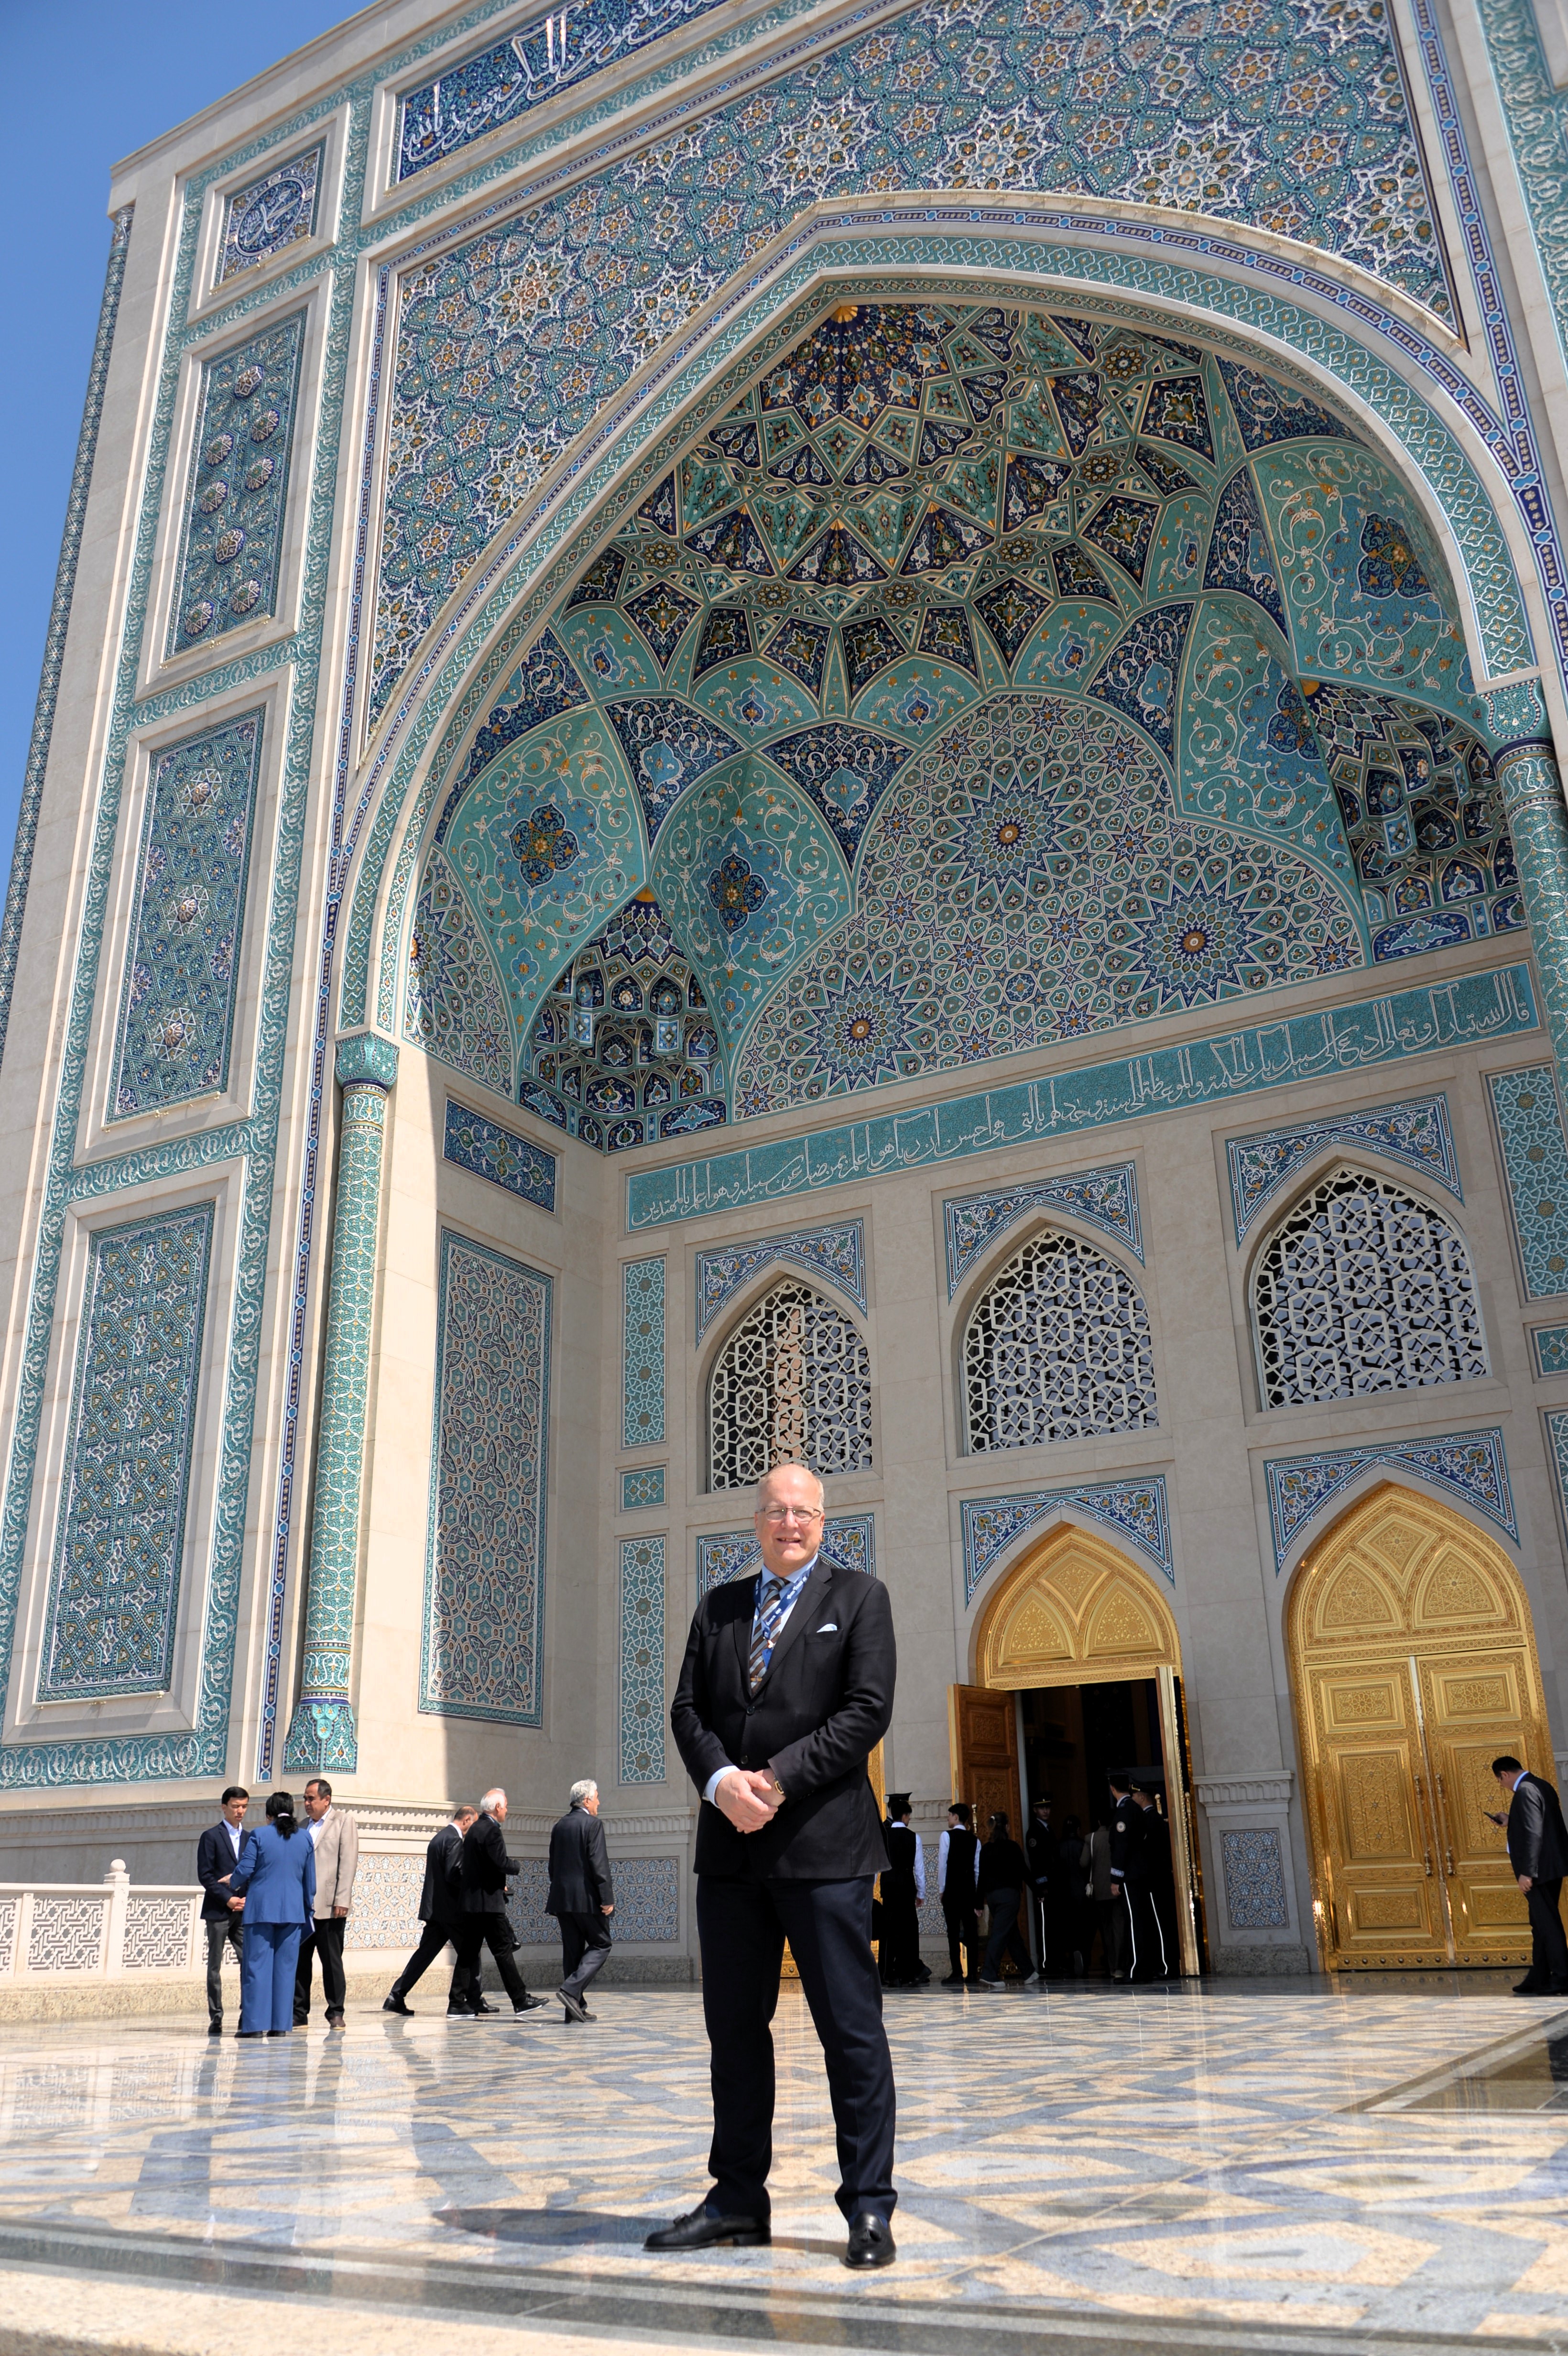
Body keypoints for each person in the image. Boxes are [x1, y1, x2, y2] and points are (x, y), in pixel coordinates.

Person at [650, 1459, 898, 2271]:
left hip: (824, 1850)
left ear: (824, 1522)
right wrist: (722, 1782)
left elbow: (865, 1712)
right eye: (776, 1511)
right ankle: (736, 2199)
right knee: (734, 2031)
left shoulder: (858, 1598)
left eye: (804, 1512)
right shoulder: (719, 1607)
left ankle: (868, 2205)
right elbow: (688, 1709)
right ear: (755, 1521)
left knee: (849, 2030)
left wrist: (777, 1780)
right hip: (732, 1850)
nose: (790, 1523)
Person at [228, 1791, 315, 2036]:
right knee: (286, 1971)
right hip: (293, 1913)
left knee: (257, 1968)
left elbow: (245, 1869)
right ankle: (280, 2026)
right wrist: (306, 1907)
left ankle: (255, 2026)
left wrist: (231, 1881)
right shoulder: (305, 1838)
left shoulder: (259, 1835)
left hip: (261, 1911)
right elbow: (310, 1882)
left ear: (269, 1814)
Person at [456, 1788, 548, 2016]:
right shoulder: (492, 1831)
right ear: (497, 1807)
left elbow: (480, 1866)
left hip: (473, 1904)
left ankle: (456, 2003)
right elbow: (499, 1862)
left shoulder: (474, 1829)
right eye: (506, 1806)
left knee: (468, 1954)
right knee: (503, 1951)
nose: (507, 1811)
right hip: (489, 1904)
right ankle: (520, 1999)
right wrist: (516, 1866)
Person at [383, 1804, 477, 2016]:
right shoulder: (454, 1840)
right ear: (466, 1820)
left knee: (424, 1956)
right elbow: (454, 1874)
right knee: (470, 1952)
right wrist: (472, 1885)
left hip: (436, 1911)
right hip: (451, 1912)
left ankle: (396, 1996)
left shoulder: (438, 1838)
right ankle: (466, 2001)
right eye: (474, 1824)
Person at [1488, 1755, 1568, 1994]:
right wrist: (1511, 1821)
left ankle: (1562, 1978)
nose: (1502, 1785)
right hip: (1551, 1867)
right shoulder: (1539, 1785)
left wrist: (1527, 1873)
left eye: (1500, 1780)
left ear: (1504, 1774)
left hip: (1539, 1871)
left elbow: (1534, 1834)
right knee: (1540, 1923)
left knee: (1548, 1924)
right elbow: (1540, 1823)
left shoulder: (1525, 1790)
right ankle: (1538, 1977)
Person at [292, 1778, 359, 2029]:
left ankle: (336, 2011)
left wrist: (342, 1899)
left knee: (331, 1963)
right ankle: (299, 2012)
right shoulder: (301, 1827)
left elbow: (348, 1862)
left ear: (326, 1799)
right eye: (305, 1799)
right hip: (302, 1908)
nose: (307, 1803)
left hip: (330, 1906)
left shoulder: (343, 1822)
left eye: (311, 1798)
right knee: (300, 1962)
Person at [546, 1778, 615, 2022]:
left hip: (562, 1899)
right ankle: (571, 1990)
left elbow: (553, 1866)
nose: (599, 1802)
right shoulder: (593, 1824)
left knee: (572, 1951)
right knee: (601, 1944)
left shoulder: (560, 1826)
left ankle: (574, 2009)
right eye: (596, 1798)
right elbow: (599, 1864)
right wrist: (607, 1898)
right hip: (586, 1899)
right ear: (586, 1800)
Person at [196, 1786, 249, 2037]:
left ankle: (247, 2014)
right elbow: (205, 1875)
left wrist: (247, 1898)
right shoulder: (211, 1836)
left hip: (244, 1911)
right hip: (219, 1910)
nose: (240, 1811)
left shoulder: (250, 1838)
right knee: (215, 1965)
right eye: (236, 1806)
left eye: (244, 1807)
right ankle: (216, 2017)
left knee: (248, 1962)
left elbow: (254, 1872)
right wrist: (228, 1899)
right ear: (224, 1807)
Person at [1109, 1774, 1158, 1982]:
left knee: (1133, 1922)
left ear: (1113, 1789)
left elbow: (1121, 1847)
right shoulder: (1137, 1809)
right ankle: (1145, 1967)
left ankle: (1136, 1969)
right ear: (1129, 1787)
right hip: (1141, 1873)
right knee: (1141, 1920)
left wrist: (1116, 1879)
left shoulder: (1124, 1811)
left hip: (1129, 1876)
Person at [975, 1812, 1031, 1987]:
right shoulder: (1012, 1847)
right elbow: (1024, 1872)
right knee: (1000, 1935)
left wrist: (979, 1903)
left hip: (993, 1898)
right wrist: (1039, 1891)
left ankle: (1028, 1971)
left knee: (1011, 1934)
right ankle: (989, 1973)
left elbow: (982, 1877)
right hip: (1009, 1897)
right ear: (1007, 1827)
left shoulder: (986, 1849)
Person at [878, 1795, 925, 1988]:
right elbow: (919, 1869)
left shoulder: (883, 1835)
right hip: (907, 1886)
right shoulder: (914, 1837)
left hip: (889, 1886)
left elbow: (876, 1865)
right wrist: (921, 1894)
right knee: (909, 1930)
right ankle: (908, 1973)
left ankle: (888, 1974)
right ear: (905, 1816)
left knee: (889, 1930)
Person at [1134, 1785, 1175, 1979]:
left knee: (1160, 1924)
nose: (1133, 1799)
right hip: (1157, 1879)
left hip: (1155, 1879)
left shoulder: (1150, 1820)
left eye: (1134, 1795)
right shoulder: (1151, 1819)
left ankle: (1166, 1966)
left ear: (1142, 1797)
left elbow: (1151, 1852)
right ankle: (1160, 1964)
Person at [936, 1801, 979, 1986]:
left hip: (952, 1891)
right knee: (971, 1931)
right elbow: (977, 1870)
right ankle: (973, 1973)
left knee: (953, 1932)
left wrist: (942, 1889)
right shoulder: (975, 1840)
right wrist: (977, 1894)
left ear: (956, 1817)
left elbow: (943, 1865)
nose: (948, 1818)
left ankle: (957, 1972)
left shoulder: (947, 1836)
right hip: (969, 1892)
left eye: (950, 1815)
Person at [1024, 1794, 1061, 1983]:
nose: (1046, 1811)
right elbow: (1036, 1861)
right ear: (1035, 1810)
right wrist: (1041, 1885)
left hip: (1053, 1883)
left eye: (1047, 1807)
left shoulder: (1048, 1829)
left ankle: (1054, 1961)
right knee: (1045, 1925)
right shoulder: (1034, 1832)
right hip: (1044, 1886)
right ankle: (1046, 1963)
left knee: (1053, 1924)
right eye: (1041, 1808)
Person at [1084, 1811, 1120, 1977]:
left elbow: (1083, 1863)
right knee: (1119, 1928)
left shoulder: (1090, 1838)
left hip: (1100, 1891)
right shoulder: (1116, 1836)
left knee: (1107, 1930)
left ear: (1098, 1822)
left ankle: (1111, 1967)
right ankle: (1120, 1966)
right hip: (1117, 1888)